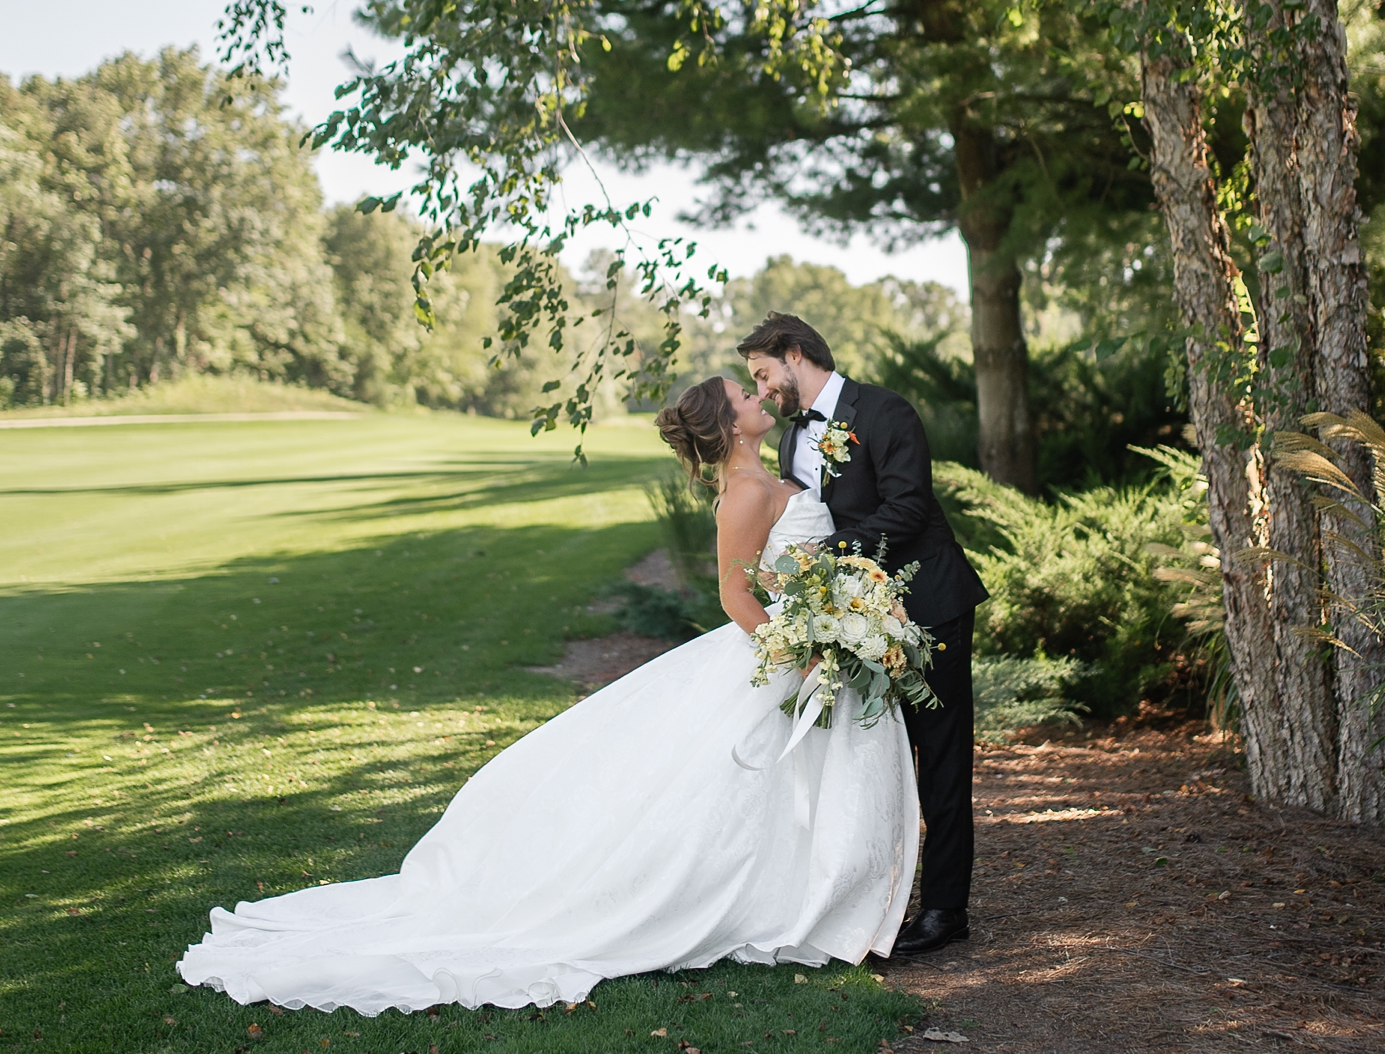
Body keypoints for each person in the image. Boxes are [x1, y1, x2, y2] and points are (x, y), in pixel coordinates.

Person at [176, 376, 917, 1015]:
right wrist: (798, 652)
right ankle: (773, 906)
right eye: (740, 395)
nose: (755, 396)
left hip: (811, 640)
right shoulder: (749, 490)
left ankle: (807, 902)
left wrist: (836, 614)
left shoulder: (770, 473)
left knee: (777, 789)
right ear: (726, 427)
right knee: (733, 791)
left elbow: (784, 575)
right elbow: (733, 592)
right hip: (781, 655)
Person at [738, 310, 988, 960]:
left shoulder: (886, 412)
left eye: (764, 375)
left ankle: (944, 909)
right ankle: (869, 899)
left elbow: (907, 506)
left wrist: (828, 553)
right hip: (848, 619)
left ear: (794, 353)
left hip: (927, 605)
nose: (763, 391)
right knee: (868, 764)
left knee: (940, 755)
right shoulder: (795, 439)